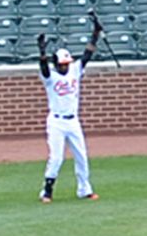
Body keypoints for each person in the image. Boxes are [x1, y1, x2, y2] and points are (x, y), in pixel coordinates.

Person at [37, 18, 104, 202]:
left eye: (67, 64)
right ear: (56, 64)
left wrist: (96, 33)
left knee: (82, 156)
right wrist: (42, 52)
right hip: (57, 121)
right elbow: (44, 68)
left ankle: (84, 189)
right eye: (62, 64)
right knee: (56, 158)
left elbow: (88, 53)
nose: (65, 67)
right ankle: (47, 190)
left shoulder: (75, 70)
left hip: (73, 120)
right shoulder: (50, 77)